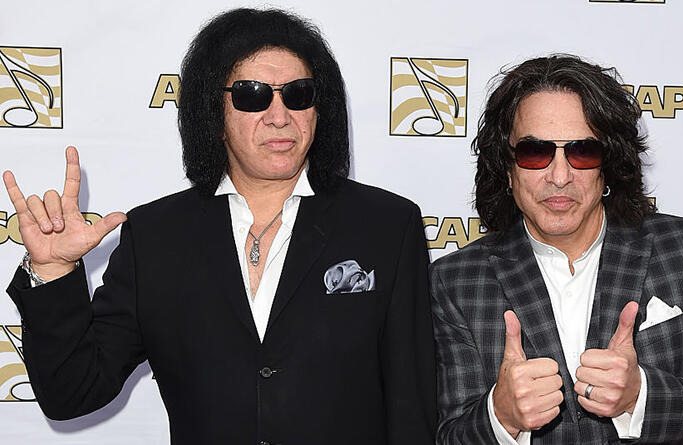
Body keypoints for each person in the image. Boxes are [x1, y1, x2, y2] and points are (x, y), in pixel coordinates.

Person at [4, 8, 436, 445]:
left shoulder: (386, 225)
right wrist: (53, 271)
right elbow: (72, 394)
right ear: (214, 113)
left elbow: (412, 409)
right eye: (252, 96)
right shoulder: (155, 237)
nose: (280, 115)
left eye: (298, 94)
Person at [430, 54, 683, 444]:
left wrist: (639, 396)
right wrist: (501, 417)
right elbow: (450, 435)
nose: (559, 176)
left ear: (608, 163)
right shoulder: (455, 281)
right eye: (534, 152)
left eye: (582, 151)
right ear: (507, 169)